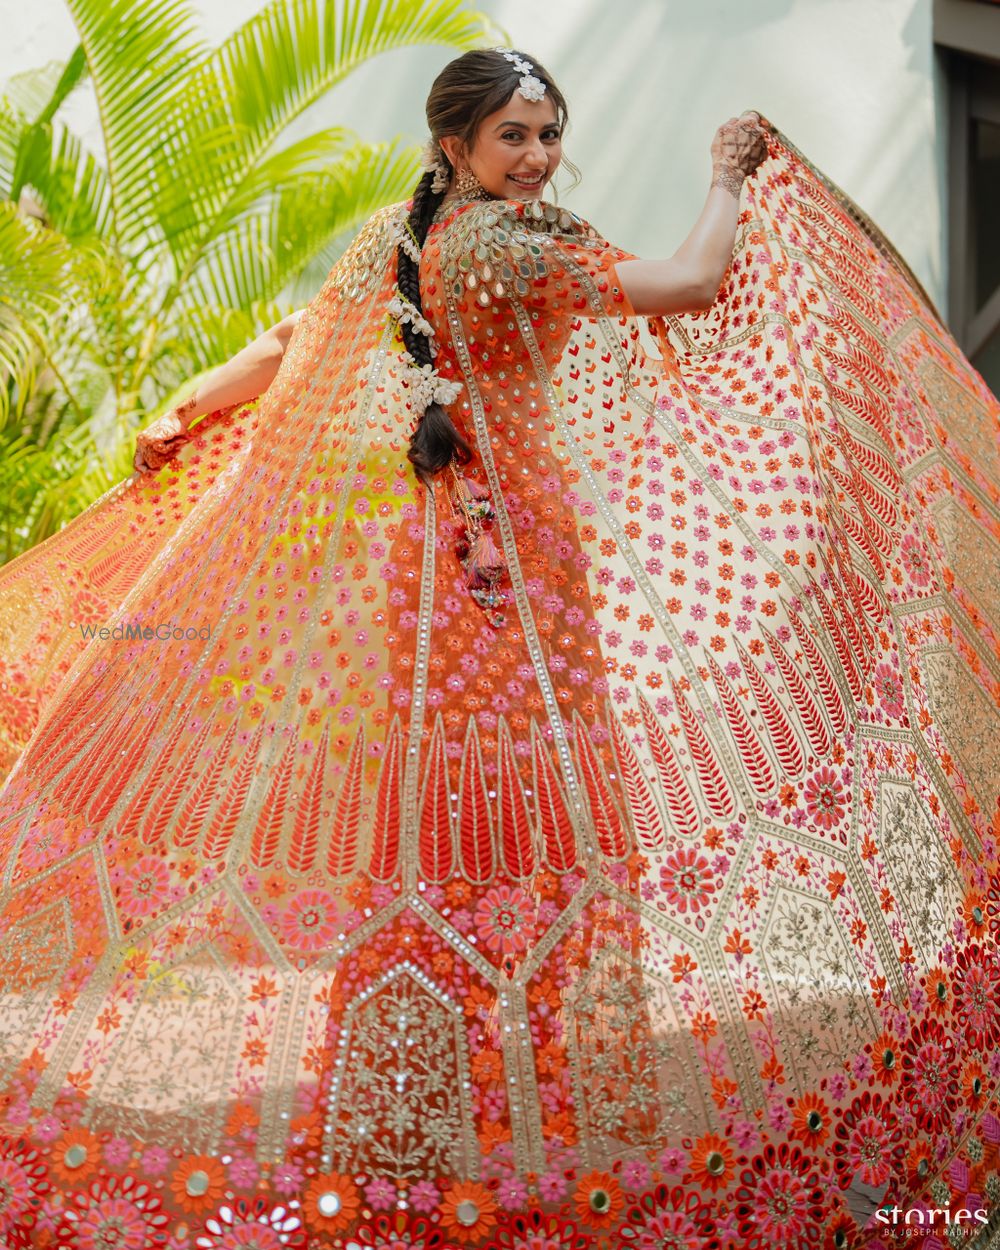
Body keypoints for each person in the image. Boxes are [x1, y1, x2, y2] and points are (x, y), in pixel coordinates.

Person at [0, 45, 997, 1250]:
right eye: (513, 136)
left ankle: (413, 1078)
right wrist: (732, 174)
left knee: (424, 811)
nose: (536, 157)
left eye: (545, 133)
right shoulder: (516, 249)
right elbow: (688, 280)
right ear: (456, 146)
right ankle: (540, 1078)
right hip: (516, 578)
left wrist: (189, 405)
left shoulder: (398, 238)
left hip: (420, 575)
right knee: (545, 809)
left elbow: (290, 343)